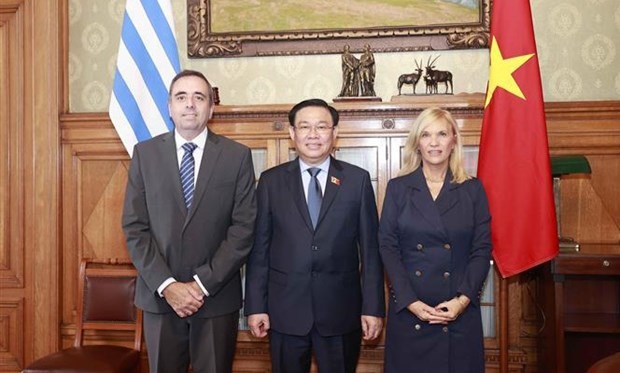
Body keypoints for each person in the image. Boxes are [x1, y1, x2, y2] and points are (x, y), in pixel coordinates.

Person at [122, 69, 256, 373]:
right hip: (160, 299)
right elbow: (134, 228)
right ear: (169, 106)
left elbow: (243, 230)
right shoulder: (145, 155)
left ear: (211, 108)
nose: (190, 104)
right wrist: (168, 285)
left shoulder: (237, 157)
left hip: (215, 299)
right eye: (181, 97)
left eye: (199, 97)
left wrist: (200, 285)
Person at [244, 98, 385, 373]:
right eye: (305, 127)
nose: (313, 135)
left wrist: (373, 308)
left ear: (334, 133)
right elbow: (259, 250)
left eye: (322, 127)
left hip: (340, 313)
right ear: (292, 133)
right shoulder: (271, 182)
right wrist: (255, 306)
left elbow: (370, 252)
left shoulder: (357, 181)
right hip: (285, 313)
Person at [378, 107, 491, 372]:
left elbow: (482, 249)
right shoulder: (398, 188)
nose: (434, 142)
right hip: (410, 309)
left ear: (453, 141)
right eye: (426, 134)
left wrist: (462, 301)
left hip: (458, 312)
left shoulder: (473, 189)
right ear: (417, 143)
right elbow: (387, 246)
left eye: (442, 134)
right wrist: (411, 302)